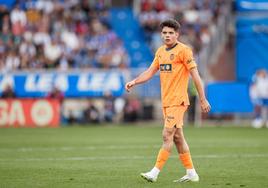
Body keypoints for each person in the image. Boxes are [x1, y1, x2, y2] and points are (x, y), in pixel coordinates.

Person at [125, 19, 211, 183]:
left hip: (178, 101)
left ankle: (154, 172)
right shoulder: (160, 52)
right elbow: (150, 72)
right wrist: (134, 81)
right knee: (178, 138)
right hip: (166, 101)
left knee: (167, 135)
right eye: (164, 33)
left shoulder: (184, 51)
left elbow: (196, 76)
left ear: (177, 34)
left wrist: (203, 98)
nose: (167, 35)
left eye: (171, 33)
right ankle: (191, 173)